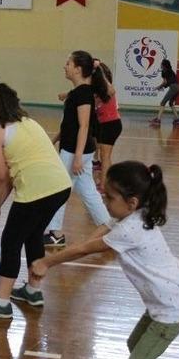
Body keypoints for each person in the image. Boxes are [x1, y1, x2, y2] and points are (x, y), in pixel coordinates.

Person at [31, 161, 179, 359]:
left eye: (109, 196)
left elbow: (87, 249)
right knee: (136, 344)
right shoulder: (138, 212)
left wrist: (46, 261)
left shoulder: (130, 229)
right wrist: (84, 242)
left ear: (131, 202)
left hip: (172, 307)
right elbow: (102, 229)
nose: (104, 200)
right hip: (167, 299)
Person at [0, 83, 71, 319]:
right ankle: (33, 291)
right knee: (33, 235)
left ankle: (1, 303)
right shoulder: (28, 122)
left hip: (38, 190)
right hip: (60, 187)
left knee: (11, 240)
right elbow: (13, 175)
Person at [43, 51, 111, 247]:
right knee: (88, 190)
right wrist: (55, 140)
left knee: (59, 189)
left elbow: (84, 126)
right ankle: (108, 225)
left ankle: (55, 234)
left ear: (78, 69)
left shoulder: (82, 94)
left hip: (75, 151)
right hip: (76, 149)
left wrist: (78, 157)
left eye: (68, 63)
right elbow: (69, 126)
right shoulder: (79, 92)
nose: (65, 66)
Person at [92, 60, 122, 191]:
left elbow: (111, 89)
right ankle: (106, 184)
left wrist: (99, 69)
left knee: (105, 157)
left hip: (111, 124)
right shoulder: (98, 91)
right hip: (107, 124)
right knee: (105, 157)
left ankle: (104, 186)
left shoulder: (107, 88)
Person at [151, 59, 179, 125]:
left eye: (161, 64)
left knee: (163, 102)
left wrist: (158, 87)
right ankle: (177, 119)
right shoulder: (171, 71)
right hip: (178, 87)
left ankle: (158, 120)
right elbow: (169, 81)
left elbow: (165, 82)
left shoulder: (164, 72)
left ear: (164, 65)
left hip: (173, 87)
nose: (160, 65)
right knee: (171, 103)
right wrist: (162, 87)